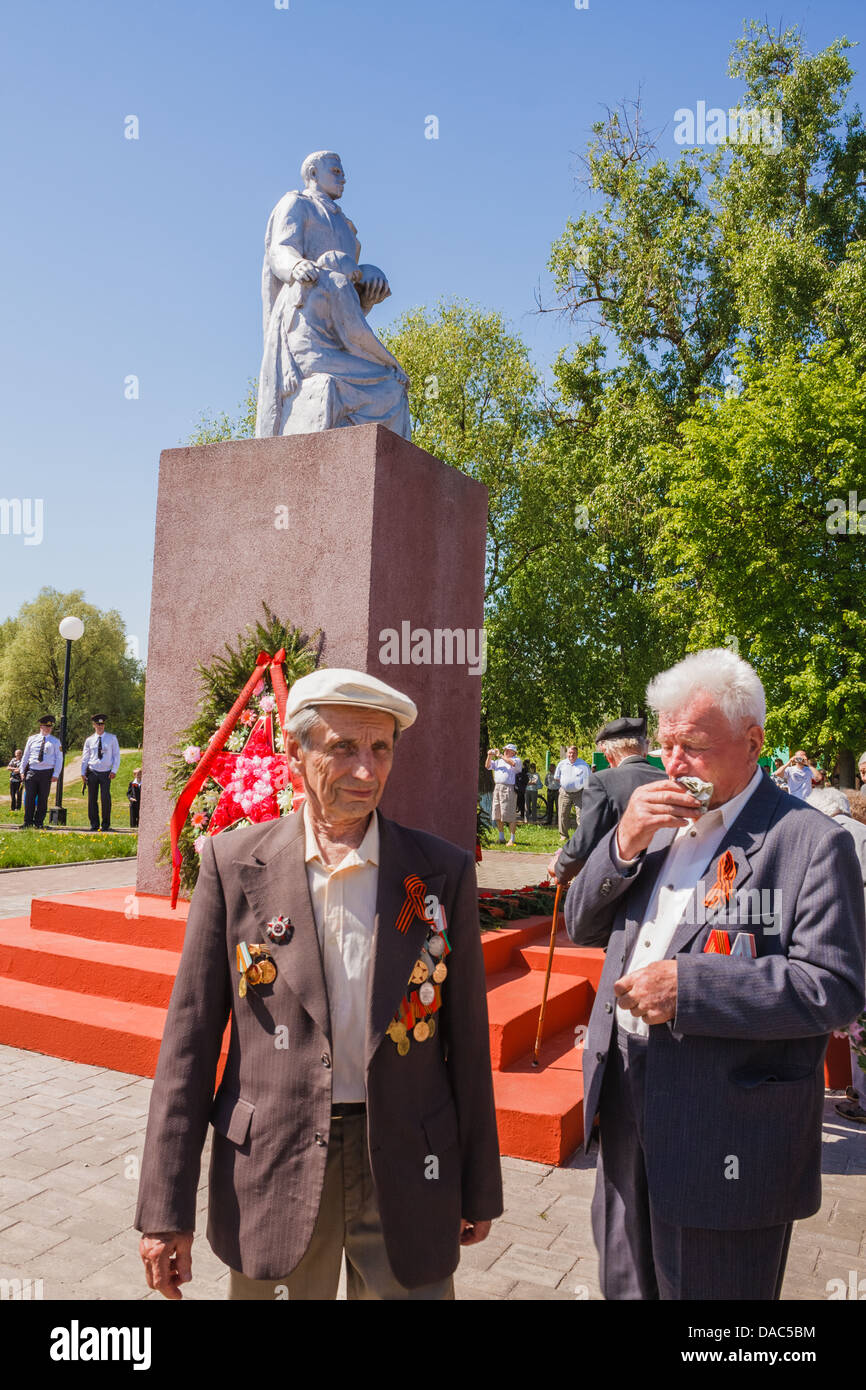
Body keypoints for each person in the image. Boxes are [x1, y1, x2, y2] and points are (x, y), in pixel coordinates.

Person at [136, 668, 503, 1301]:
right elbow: (188, 1048)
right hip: (272, 1163)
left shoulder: (441, 873)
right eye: (342, 748)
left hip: (408, 1166)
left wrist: (477, 1183)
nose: (366, 770)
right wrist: (164, 1212)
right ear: (294, 752)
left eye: (381, 748)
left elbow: (467, 1044)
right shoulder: (232, 866)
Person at [565, 647, 865, 1300]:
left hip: (727, 1132)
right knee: (625, 1284)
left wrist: (690, 988)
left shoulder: (812, 844)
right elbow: (578, 923)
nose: (673, 766)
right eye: (666, 744)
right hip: (623, 1106)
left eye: (693, 747)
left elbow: (835, 988)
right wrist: (622, 845)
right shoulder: (654, 822)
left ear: (753, 742)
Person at [255, 151, 409, 439]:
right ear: (313, 173)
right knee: (328, 383)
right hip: (303, 326)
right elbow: (279, 250)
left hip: (340, 337)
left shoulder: (349, 230)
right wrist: (297, 264)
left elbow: (349, 307)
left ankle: (363, 455)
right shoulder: (296, 204)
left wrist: (368, 289)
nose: (344, 178)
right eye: (336, 171)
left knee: (393, 387)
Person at [549, 718, 666, 886]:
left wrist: (561, 866)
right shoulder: (667, 780)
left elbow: (585, 842)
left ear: (607, 754)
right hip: (663, 881)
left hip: (618, 886)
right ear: (645, 748)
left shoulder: (598, 780)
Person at [19, 717, 63, 830]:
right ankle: (27, 822)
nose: (48, 729)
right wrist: (21, 770)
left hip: (46, 773)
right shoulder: (32, 739)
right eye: (46, 726)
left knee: (43, 798)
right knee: (29, 798)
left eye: (50, 726)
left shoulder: (55, 741)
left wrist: (56, 774)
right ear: (41, 727)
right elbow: (26, 755)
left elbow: (59, 759)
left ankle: (39, 822)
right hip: (32, 771)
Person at [80, 715, 121, 831]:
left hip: (106, 773)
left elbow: (116, 755)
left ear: (104, 725)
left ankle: (106, 824)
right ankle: (94, 824)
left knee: (105, 799)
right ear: (93, 725)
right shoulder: (89, 740)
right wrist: (83, 772)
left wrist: (114, 770)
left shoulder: (112, 738)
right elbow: (85, 757)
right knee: (92, 799)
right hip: (92, 771)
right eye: (98, 724)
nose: (100, 726)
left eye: (102, 724)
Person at [485, 743, 521, 846]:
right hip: (497, 787)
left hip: (508, 788)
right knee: (497, 813)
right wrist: (489, 755)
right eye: (505, 749)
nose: (505, 751)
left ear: (513, 752)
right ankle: (501, 837)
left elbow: (513, 764)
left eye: (508, 750)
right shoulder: (499, 761)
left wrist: (500, 755)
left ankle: (512, 839)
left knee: (509, 814)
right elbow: (487, 766)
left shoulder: (516, 760)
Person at [554, 745, 590, 841]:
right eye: (570, 753)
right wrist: (565, 784)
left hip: (579, 793)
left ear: (577, 754)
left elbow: (588, 779)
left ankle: (580, 837)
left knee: (581, 815)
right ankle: (564, 835)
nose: (571, 755)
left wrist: (586, 792)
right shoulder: (561, 764)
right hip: (564, 793)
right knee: (563, 814)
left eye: (573, 753)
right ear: (567, 753)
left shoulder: (584, 764)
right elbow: (557, 777)